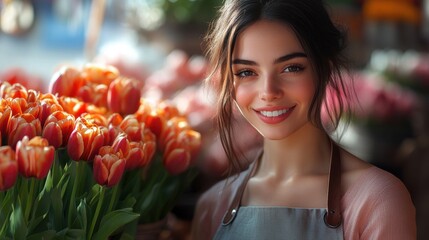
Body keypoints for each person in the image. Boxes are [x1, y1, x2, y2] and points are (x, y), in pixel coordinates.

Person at [191, 0, 416, 239]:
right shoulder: (212, 206)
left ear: (325, 70)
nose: (268, 91)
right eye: (246, 72)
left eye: (291, 68)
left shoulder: (377, 201)